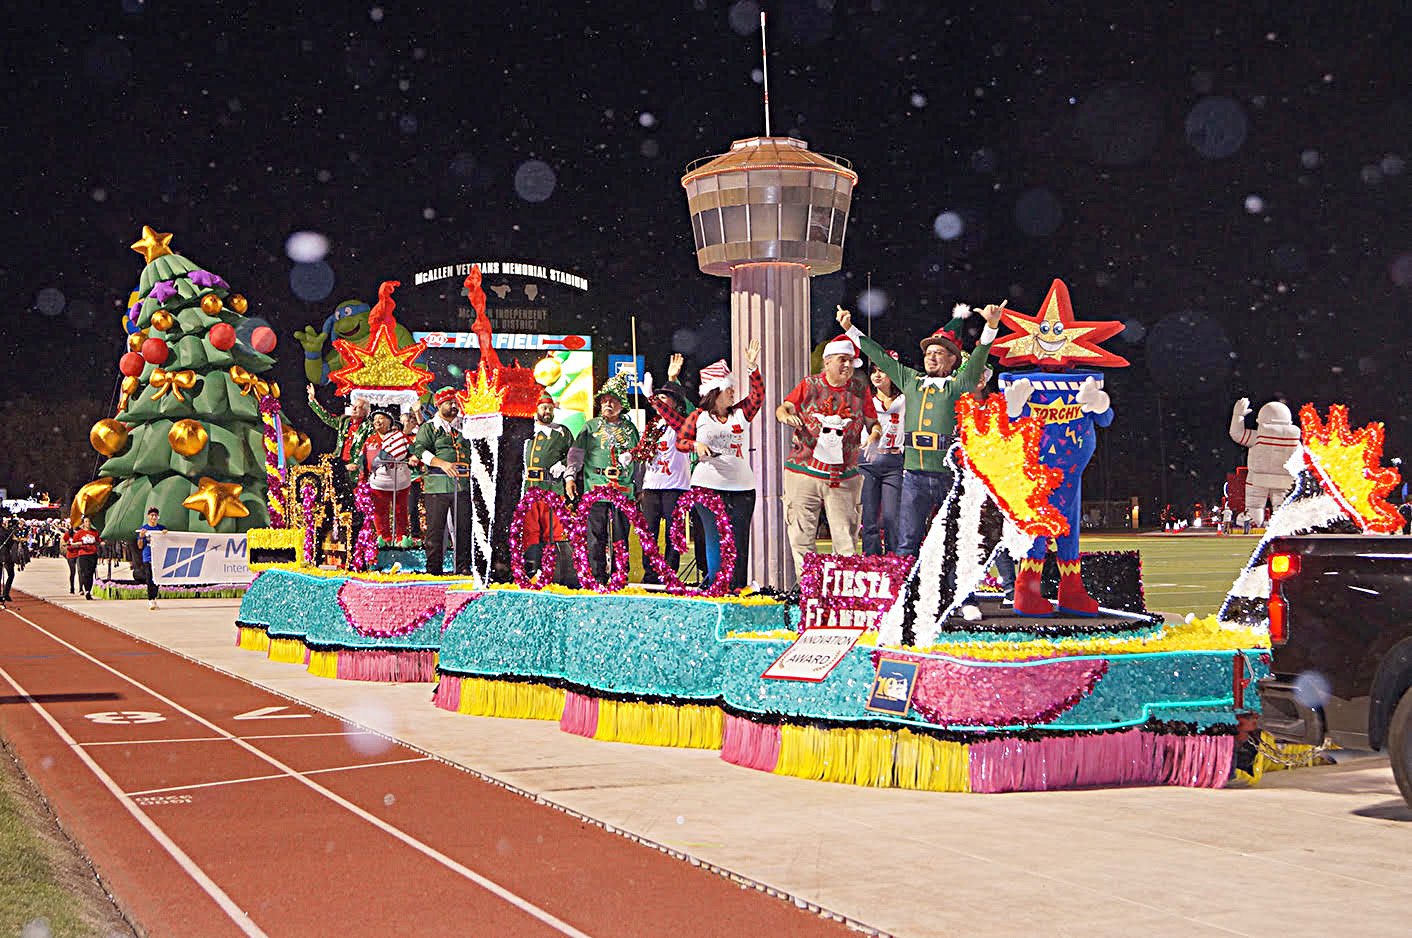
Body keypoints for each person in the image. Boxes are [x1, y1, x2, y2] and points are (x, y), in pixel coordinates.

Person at [837, 301, 1005, 557]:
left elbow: (980, 355)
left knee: (953, 540)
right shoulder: (910, 381)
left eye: (939, 353)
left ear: (952, 360)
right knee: (908, 541)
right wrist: (850, 328)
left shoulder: (957, 385)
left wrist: (991, 325)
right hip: (913, 474)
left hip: (947, 475)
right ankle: (907, 593)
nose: (931, 357)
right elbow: (879, 355)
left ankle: (951, 594)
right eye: (928, 353)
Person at [651, 341, 764, 590]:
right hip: (707, 487)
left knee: (739, 541)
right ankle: (716, 587)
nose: (734, 392)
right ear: (715, 391)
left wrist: (752, 367)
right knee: (715, 540)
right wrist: (695, 446)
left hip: (743, 487)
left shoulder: (740, 413)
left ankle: (737, 588)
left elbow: (758, 396)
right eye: (729, 389)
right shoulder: (698, 417)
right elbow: (680, 440)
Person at [776, 333, 878, 584]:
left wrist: (874, 434)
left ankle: (843, 592)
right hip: (803, 471)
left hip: (844, 474)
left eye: (851, 361)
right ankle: (808, 588)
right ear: (828, 361)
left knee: (846, 538)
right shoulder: (809, 385)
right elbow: (785, 407)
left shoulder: (859, 389)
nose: (847, 366)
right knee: (801, 535)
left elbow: (872, 421)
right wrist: (785, 416)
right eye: (842, 360)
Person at [570, 374, 641, 584]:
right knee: (595, 537)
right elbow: (576, 453)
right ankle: (596, 578)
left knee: (620, 536)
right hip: (595, 487)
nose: (607, 403)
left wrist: (640, 489)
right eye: (604, 400)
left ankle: (619, 578)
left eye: (613, 400)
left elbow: (639, 459)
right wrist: (570, 477)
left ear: (622, 404)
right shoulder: (590, 427)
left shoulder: (630, 430)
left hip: (622, 490)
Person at [637, 354, 695, 585]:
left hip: (676, 488)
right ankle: (650, 574)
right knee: (648, 534)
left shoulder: (683, 422)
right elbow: (642, 454)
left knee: (673, 535)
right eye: (658, 397)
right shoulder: (653, 426)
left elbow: (675, 420)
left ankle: (669, 574)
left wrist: (654, 396)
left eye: (665, 398)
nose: (660, 401)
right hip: (652, 487)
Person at [411, 387, 477, 575]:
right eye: (450, 403)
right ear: (439, 405)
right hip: (437, 486)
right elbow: (420, 451)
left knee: (464, 527)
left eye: (456, 403)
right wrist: (443, 464)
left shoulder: (465, 427)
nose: (454, 406)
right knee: (435, 529)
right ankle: (434, 568)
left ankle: (463, 566)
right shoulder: (429, 428)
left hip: (463, 486)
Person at [521, 390, 578, 582]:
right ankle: (530, 571)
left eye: (550, 408)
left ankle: (552, 572)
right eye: (544, 407)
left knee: (552, 530)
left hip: (552, 488)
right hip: (529, 487)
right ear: (535, 409)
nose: (547, 411)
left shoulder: (561, 431)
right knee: (530, 531)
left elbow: (573, 454)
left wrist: (562, 463)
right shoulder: (526, 431)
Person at [859, 352, 906, 556]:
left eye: (883, 371)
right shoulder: (865, 399)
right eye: (874, 371)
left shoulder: (905, 399)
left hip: (894, 461)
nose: (877, 375)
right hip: (867, 461)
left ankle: (894, 560)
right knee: (869, 518)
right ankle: (871, 560)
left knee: (890, 517)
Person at [362, 405, 414, 542]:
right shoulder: (369, 440)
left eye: (381, 418)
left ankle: (401, 539)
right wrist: (362, 478)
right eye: (375, 419)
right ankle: (383, 539)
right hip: (378, 484)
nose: (377, 421)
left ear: (389, 421)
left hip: (400, 483)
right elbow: (363, 460)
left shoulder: (400, 437)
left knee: (400, 511)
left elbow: (413, 452)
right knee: (379, 512)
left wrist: (414, 458)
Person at [135, 507, 167, 609]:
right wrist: (141, 536)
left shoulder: (161, 528)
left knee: (157, 579)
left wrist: (165, 534)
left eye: (155, 515)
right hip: (148, 557)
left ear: (158, 517)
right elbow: (140, 546)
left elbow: (166, 541)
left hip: (158, 557)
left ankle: (154, 597)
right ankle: (150, 599)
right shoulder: (144, 529)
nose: (153, 517)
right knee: (149, 578)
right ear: (148, 516)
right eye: (151, 515)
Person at [71, 515, 100, 599]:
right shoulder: (79, 533)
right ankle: (86, 589)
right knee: (84, 573)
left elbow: (98, 540)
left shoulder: (94, 532)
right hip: (83, 555)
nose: (88, 523)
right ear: (83, 523)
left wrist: (101, 543)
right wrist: (77, 544)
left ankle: (88, 591)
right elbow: (72, 544)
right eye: (86, 522)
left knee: (91, 573)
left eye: (89, 522)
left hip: (92, 554)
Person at [61, 519, 81, 594]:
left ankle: (81, 588)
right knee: (73, 572)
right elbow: (63, 541)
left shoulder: (80, 532)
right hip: (70, 554)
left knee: (80, 571)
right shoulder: (68, 533)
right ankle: (72, 587)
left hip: (79, 553)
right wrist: (65, 547)